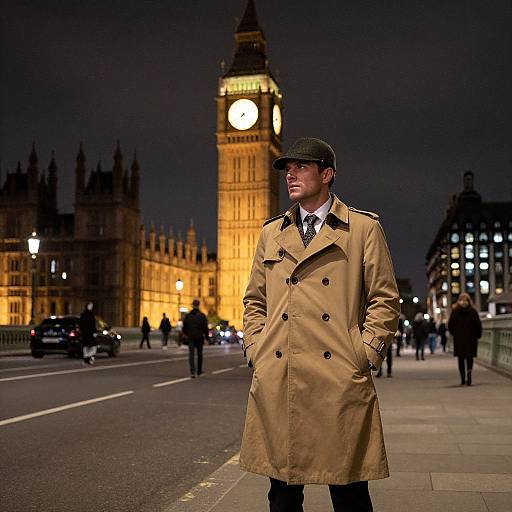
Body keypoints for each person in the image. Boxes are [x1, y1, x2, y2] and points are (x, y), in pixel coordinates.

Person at [241, 137, 400, 512]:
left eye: (301, 167)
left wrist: (363, 354)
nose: (290, 175)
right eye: (286, 169)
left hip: (338, 379)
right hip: (282, 377)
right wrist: (256, 350)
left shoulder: (362, 229)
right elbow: (254, 301)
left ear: (326, 174)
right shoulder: (271, 233)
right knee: (281, 497)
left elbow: (385, 299)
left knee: (349, 495)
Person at [448, 293, 482, 386]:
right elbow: (478, 325)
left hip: (459, 339)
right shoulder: (473, 311)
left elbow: (450, 325)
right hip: (471, 338)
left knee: (461, 358)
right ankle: (469, 372)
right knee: (470, 357)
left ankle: (463, 378)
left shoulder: (455, 311)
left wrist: (454, 333)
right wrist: (478, 335)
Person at [182, 299, 209, 378]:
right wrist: (207, 337)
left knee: (191, 355)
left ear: (192, 305)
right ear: (198, 305)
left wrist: (186, 334)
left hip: (191, 337)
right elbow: (205, 328)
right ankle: (199, 371)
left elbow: (184, 327)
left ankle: (192, 371)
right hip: (199, 337)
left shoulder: (188, 315)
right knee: (199, 354)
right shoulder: (202, 315)